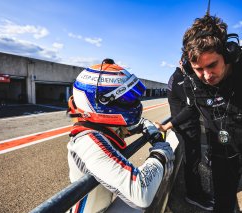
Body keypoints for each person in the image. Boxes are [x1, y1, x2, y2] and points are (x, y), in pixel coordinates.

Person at [158, 15, 242, 213]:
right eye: (199, 69)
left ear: (228, 54)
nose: (206, 76)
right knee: (222, 206)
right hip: (222, 155)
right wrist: (168, 125)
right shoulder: (191, 79)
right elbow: (192, 107)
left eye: (212, 65)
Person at [66, 58, 174, 213]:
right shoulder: (88, 140)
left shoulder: (104, 127)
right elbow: (141, 193)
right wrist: (161, 154)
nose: (135, 102)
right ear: (100, 103)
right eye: (126, 98)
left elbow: (140, 123)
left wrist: (153, 134)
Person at [164, 59, 213, 210]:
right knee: (191, 164)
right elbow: (191, 108)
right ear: (181, 62)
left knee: (195, 161)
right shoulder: (179, 79)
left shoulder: (184, 77)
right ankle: (193, 195)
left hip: (189, 127)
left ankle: (198, 192)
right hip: (185, 129)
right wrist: (168, 125)